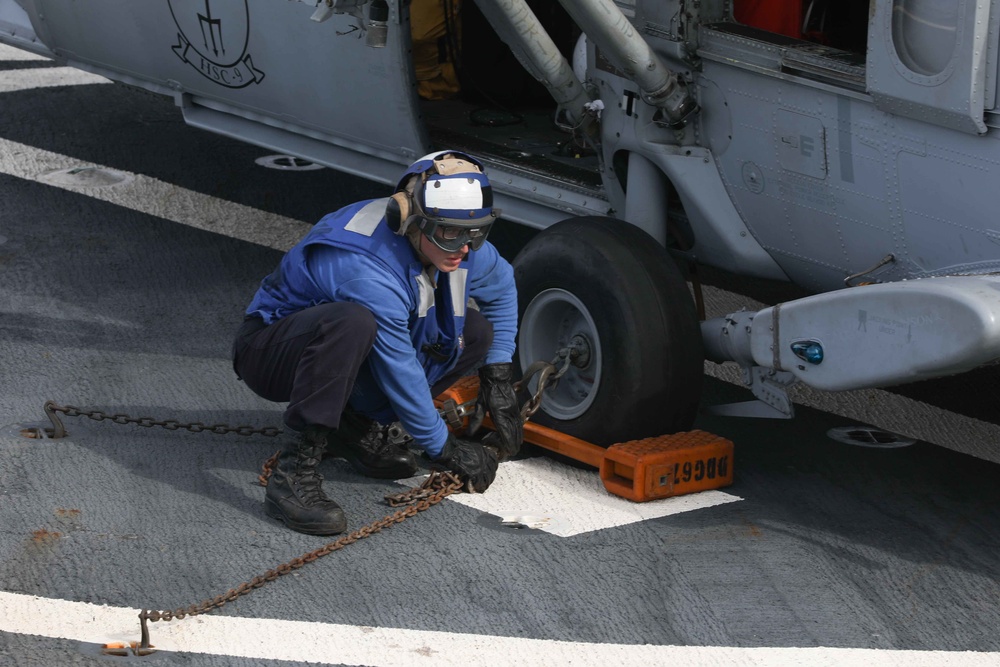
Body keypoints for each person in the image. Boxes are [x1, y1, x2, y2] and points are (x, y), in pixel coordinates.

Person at [232, 150, 523, 536]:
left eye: (477, 232)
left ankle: (351, 427)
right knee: (351, 323)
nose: (466, 247)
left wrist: (498, 375)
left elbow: (502, 288)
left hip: (340, 350)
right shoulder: (365, 267)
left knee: (475, 333)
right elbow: (399, 368)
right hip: (271, 351)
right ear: (408, 218)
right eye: (451, 233)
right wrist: (444, 448)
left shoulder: (457, 240)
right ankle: (292, 472)